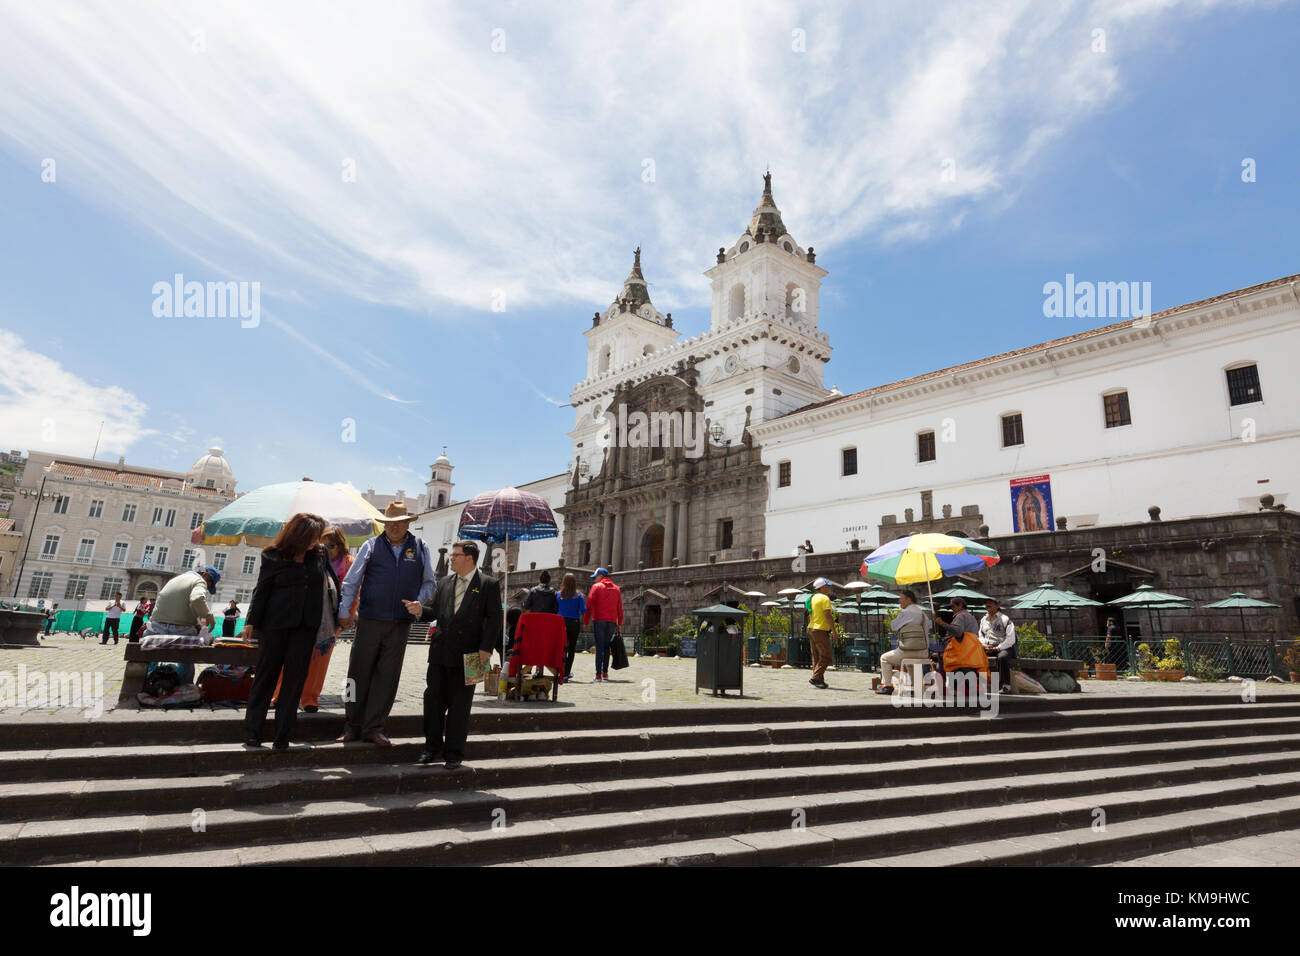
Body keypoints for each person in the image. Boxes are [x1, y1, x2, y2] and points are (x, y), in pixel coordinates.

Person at [337, 501, 436, 747]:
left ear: (408, 523)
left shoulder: (421, 547)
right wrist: (344, 611)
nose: (395, 527)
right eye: (390, 522)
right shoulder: (371, 546)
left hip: (400, 624)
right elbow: (351, 582)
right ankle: (351, 725)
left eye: (400, 522)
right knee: (354, 675)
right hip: (370, 619)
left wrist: (418, 602)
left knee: (388, 677)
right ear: (385, 524)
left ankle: (374, 727)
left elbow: (429, 583)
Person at [241, 513, 339, 751]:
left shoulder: (320, 554)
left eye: (318, 537)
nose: (316, 542)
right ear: (298, 535)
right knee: (266, 678)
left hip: (306, 627)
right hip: (274, 625)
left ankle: (282, 735)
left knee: (294, 682)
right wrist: (250, 622)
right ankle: (253, 732)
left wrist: (338, 616)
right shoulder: (272, 555)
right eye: (312, 537)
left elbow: (332, 584)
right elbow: (261, 590)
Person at [407, 540, 502, 770]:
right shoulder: (444, 582)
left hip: (472, 656)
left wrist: (486, 649)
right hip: (440, 653)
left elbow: (494, 620)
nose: (451, 558)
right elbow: (435, 612)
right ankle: (431, 748)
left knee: (461, 706)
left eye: (456, 554)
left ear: (469, 558)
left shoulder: (487, 584)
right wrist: (420, 611)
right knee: (433, 702)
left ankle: (454, 753)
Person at [273, 525, 355, 714]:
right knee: (290, 657)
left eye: (332, 545)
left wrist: (346, 616)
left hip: (330, 619)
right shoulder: (311, 556)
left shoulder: (348, 562)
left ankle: (309, 698)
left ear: (341, 546)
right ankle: (279, 695)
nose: (327, 549)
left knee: (319, 660)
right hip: (303, 615)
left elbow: (352, 591)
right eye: (323, 545)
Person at [877, 589, 932, 694]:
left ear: (909, 599)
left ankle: (888, 686)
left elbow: (893, 626)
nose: (899, 601)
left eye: (901, 599)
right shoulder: (922, 614)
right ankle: (916, 687)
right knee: (912, 663)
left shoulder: (906, 612)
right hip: (923, 652)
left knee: (884, 658)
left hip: (907, 651)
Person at [934, 596, 990, 686]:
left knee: (951, 666)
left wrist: (942, 623)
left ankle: (951, 686)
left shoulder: (960, 616)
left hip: (961, 648)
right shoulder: (971, 617)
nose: (952, 609)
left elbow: (958, 632)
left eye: (953, 606)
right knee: (970, 668)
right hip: (972, 649)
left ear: (960, 605)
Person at [583, 568, 623, 682]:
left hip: (599, 620)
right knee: (606, 647)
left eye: (595, 577)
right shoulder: (616, 589)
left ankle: (598, 675)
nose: (594, 579)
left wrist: (586, 621)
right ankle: (605, 673)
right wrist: (619, 622)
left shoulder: (596, 587)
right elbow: (619, 608)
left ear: (601, 576)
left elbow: (589, 606)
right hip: (611, 622)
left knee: (599, 647)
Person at [979, 598, 1017, 693]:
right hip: (988, 647)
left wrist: (998, 648)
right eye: (986, 604)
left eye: (990, 603)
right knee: (974, 656)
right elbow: (980, 635)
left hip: (1004, 647)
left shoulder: (1005, 619)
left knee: (1002, 657)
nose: (987, 605)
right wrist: (984, 644)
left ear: (997, 606)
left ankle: (1006, 685)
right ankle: (979, 684)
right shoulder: (983, 619)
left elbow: (1011, 639)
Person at [806, 577, 838, 689]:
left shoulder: (812, 598)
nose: (828, 588)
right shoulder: (825, 598)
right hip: (820, 630)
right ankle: (815, 677)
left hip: (811, 628)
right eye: (827, 586)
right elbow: (828, 616)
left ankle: (819, 680)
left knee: (816, 655)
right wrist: (834, 632)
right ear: (823, 587)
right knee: (826, 656)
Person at [556, 572, 586, 683]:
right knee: (571, 649)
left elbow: (555, 608)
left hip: (561, 622)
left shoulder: (558, 595)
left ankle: (558, 671)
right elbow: (583, 610)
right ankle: (566, 673)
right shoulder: (579, 596)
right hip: (574, 623)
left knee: (561, 647)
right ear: (574, 583)